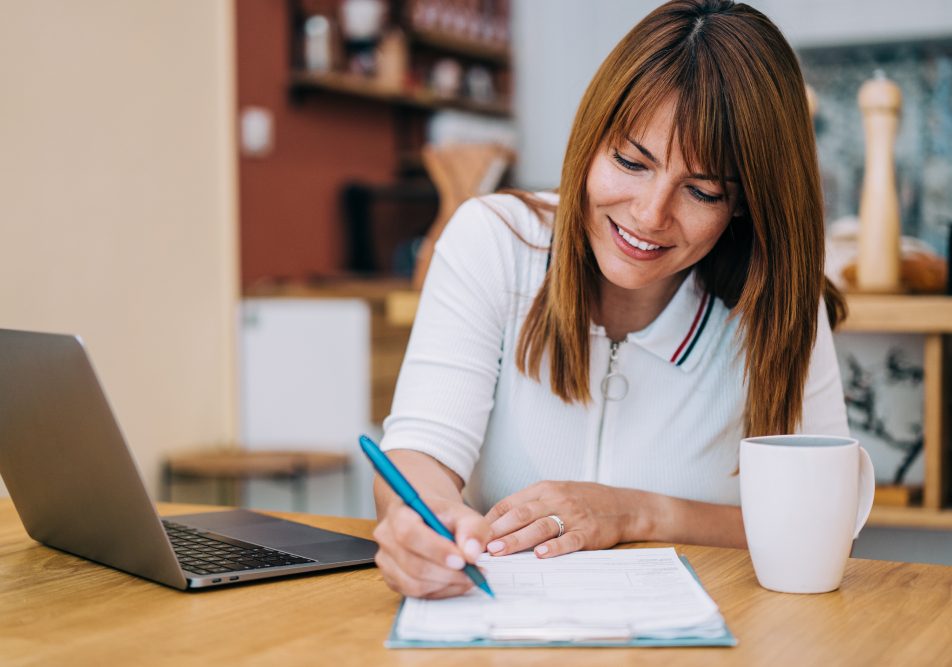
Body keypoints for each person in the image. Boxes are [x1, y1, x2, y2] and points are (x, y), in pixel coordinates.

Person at [373, 0, 849, 599]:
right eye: (630, 161)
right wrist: (420, 521)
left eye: (702, 191)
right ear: (590, 139)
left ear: (744, 204)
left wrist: (635, 513)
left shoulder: (780, 305)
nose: (649, 215)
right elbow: (420, 452)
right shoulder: (494, 241)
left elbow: (823, 526)